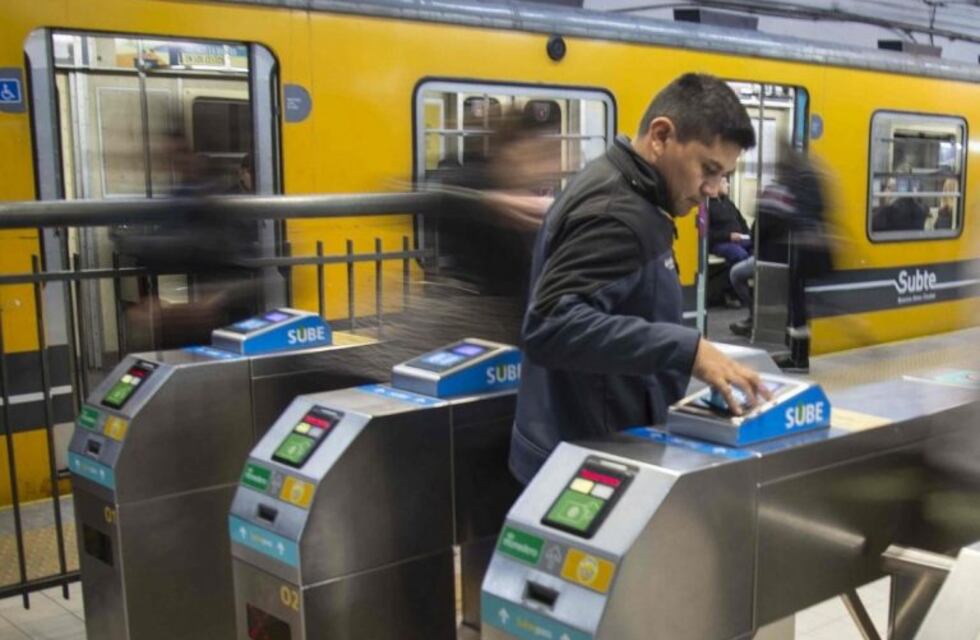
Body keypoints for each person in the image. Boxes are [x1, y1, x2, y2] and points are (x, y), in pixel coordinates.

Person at [510, 73, 769, 484]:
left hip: (577, 441)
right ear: (661, 136)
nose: (714, 189)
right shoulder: (616, 213)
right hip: (584, 456)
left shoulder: (624, 190)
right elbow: (550, 325)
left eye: (723, 176)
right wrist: (689, 350)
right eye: (709, 169)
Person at [708, 175, 752, 266]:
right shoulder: (707, 206)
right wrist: (729, 236)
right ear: (716, 184)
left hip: (739, 240)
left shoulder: (728, 203)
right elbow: (707, 234)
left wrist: (748, 235)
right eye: (724, 182)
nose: (728, 185)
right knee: (740, 255)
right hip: (720, 243)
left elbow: (742, 221)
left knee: (758, 250)